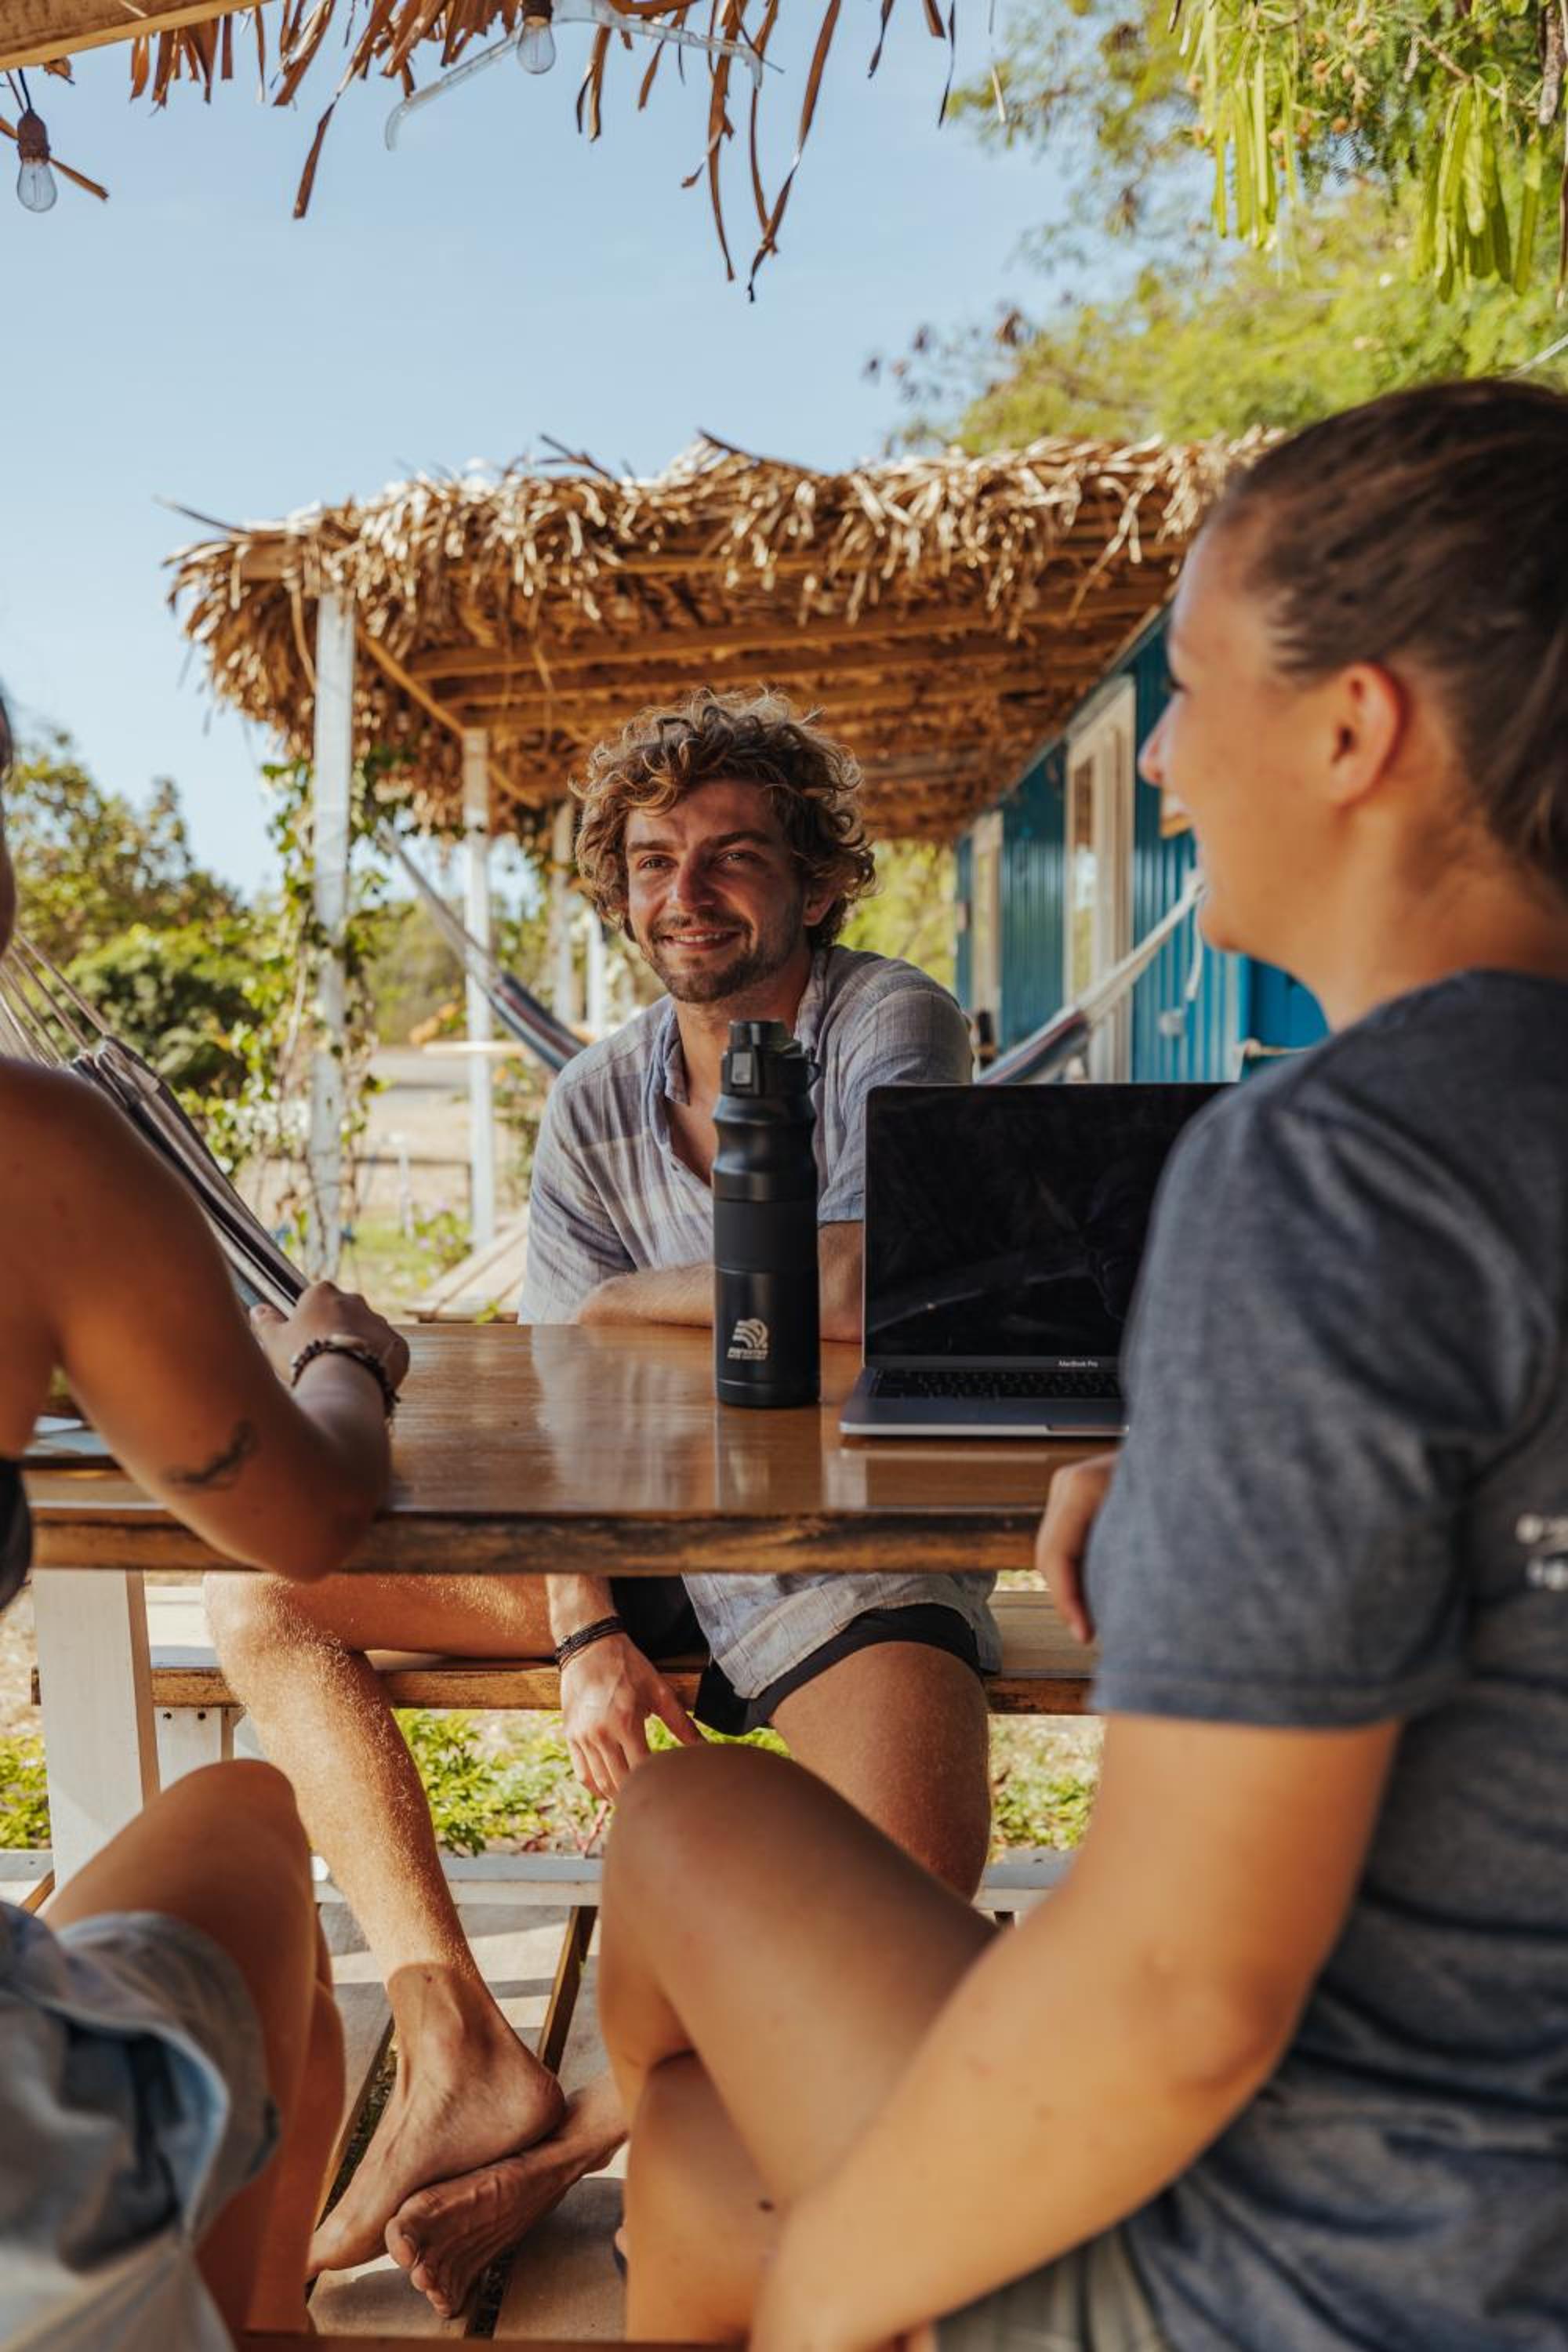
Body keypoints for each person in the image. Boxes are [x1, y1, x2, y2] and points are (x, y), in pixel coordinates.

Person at [596, 377, 1568, 2351]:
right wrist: (1206, 1459)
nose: (1170, 766)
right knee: (695, 2101)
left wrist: (837, 2304)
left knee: (710, 1974)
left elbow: (1173, 1998)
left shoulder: (1339, 1171)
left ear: (1353, 727)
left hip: (1370, 2263)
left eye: (1187, 693)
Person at [205, 687, 1000, 2310]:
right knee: (267, 1590)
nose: (683, 893)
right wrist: (582, 1629)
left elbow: (869, 1287)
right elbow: (561, 1403)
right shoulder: (591, 1099)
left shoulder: (890, 1023)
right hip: (633, 1549)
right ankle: (452, 2033)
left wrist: (639, 1298)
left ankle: (565, 2146)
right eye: (650, 861)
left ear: (817, 879)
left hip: (844, 1554)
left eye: (732, 855)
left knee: (904, 1895)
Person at [0, 689, 410, 2346]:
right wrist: (344, 1362)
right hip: (22, 2192)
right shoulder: (34, 1146)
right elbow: (307, 1518)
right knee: (248, 1818)